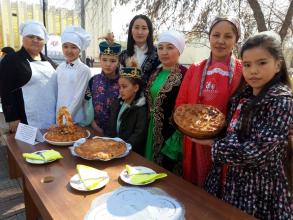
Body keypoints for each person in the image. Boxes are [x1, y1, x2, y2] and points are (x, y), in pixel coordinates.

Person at [191, 31, 293, 219]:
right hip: (229, 179)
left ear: (278, 64)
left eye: (262, 63)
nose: (253, 70)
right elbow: (233, 135)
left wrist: (214, 144)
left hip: (258, 190)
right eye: (247, 64)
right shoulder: (243, 96)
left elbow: (258, 151)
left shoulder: (281, 101)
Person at [175, 16, 242, 186]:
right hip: (196, 143)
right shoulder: (195, 68)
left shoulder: (243, 70)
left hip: (227, 143)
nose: (220, 41)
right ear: (209, 37)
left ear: (236, 40)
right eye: (216, 35)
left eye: (228, 36)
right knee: (196, 188)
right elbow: (181, 105)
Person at [0, 20, 57, 132]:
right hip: (24, 120)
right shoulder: (12, 60)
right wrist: (12, 118)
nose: (35, 40)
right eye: (31, 36)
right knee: (28, 149)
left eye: (39, 38)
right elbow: (5, 89)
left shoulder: (50, 62)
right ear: (23, 38)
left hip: (50, 119)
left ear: (44, 42)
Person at [145, 30, 187, 173]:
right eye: (160, 47)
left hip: (171, 134)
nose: (164, 52)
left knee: (165, 175)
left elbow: (186, 109)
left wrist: (176, 139)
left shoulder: (185, 75)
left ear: (179, 50)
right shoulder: (155, 73)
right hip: (151, 129)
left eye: (170, 47)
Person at [105, 66, 148, 156]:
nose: (121, 91)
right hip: (112, 150)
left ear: (136, 88)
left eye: (124, 87)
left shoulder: (141, 109)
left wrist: (124, 147)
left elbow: (138, 135)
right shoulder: (116, 103)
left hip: (130, 153)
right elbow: (110, 125)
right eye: (119, 87)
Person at [56, 26, 91, 124]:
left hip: (75, 119)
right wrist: (59, 118)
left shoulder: (84, 70)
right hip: (60, 116)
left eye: (73, 47)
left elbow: (78, 98)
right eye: (65, 46)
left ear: (80, 49)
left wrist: (65, 120)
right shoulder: (60, 67)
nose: (69, 50)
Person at [89, 40, 121, 135]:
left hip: (115, 133)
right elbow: (87, 105)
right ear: (100, 59)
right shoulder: (93, 81)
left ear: (118, 62)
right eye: (104, 59)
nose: (108, 64)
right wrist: (93, 124)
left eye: (113, 61)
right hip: (94, 129)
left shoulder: (123, 83)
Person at [119, 14, 160, 86]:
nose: (140, 32)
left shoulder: (158, 54)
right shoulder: (123, 55)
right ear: (131, 31)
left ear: (149, 32)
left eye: (144, 28)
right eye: (136, 27)